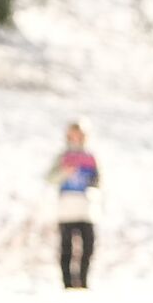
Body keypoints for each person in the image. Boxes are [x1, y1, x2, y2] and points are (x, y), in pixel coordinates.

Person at [46, 121, 100, 289]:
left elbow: (100, 180)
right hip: (66, 207)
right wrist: (65, 173)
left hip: (86, 207)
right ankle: (67, 283)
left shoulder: (91, 157)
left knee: (88, 246)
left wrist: (93, 184)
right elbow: (50, 178)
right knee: (67, 247)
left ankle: (83, 281)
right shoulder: (62, 156)